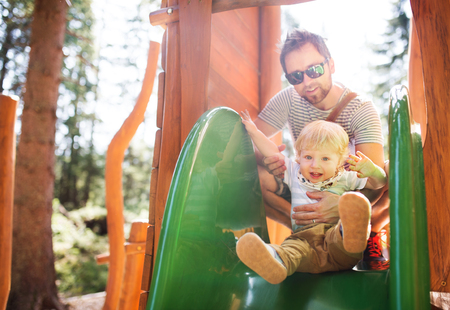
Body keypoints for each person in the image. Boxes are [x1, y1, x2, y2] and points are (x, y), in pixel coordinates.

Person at [253, 29, 389, 266]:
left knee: (393, 171)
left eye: (314, 70)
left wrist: (343, 205)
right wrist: (268, 159)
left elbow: (375, 178)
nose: (307, 82)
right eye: (295, 77)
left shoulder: (360, 110)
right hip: (304, 189)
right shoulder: (288, 99)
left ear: (331, 65)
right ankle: (304, 233)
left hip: (347, 189)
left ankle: (369, 232)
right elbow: (248, 144)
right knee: (254, 175)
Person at [236, 116, 387, 284]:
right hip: (303, 239)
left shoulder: (345, 178)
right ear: (299, 157)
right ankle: (274, 260)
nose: (315, 165)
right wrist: (254, 132)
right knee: (291, 251)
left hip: (335, 238)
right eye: (308, 157)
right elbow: (271, 151)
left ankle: (351, 229)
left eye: (325, 159)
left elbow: (378, 183)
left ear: (339, 161)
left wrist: (373, 171)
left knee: (344, 228)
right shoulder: (294, 173)